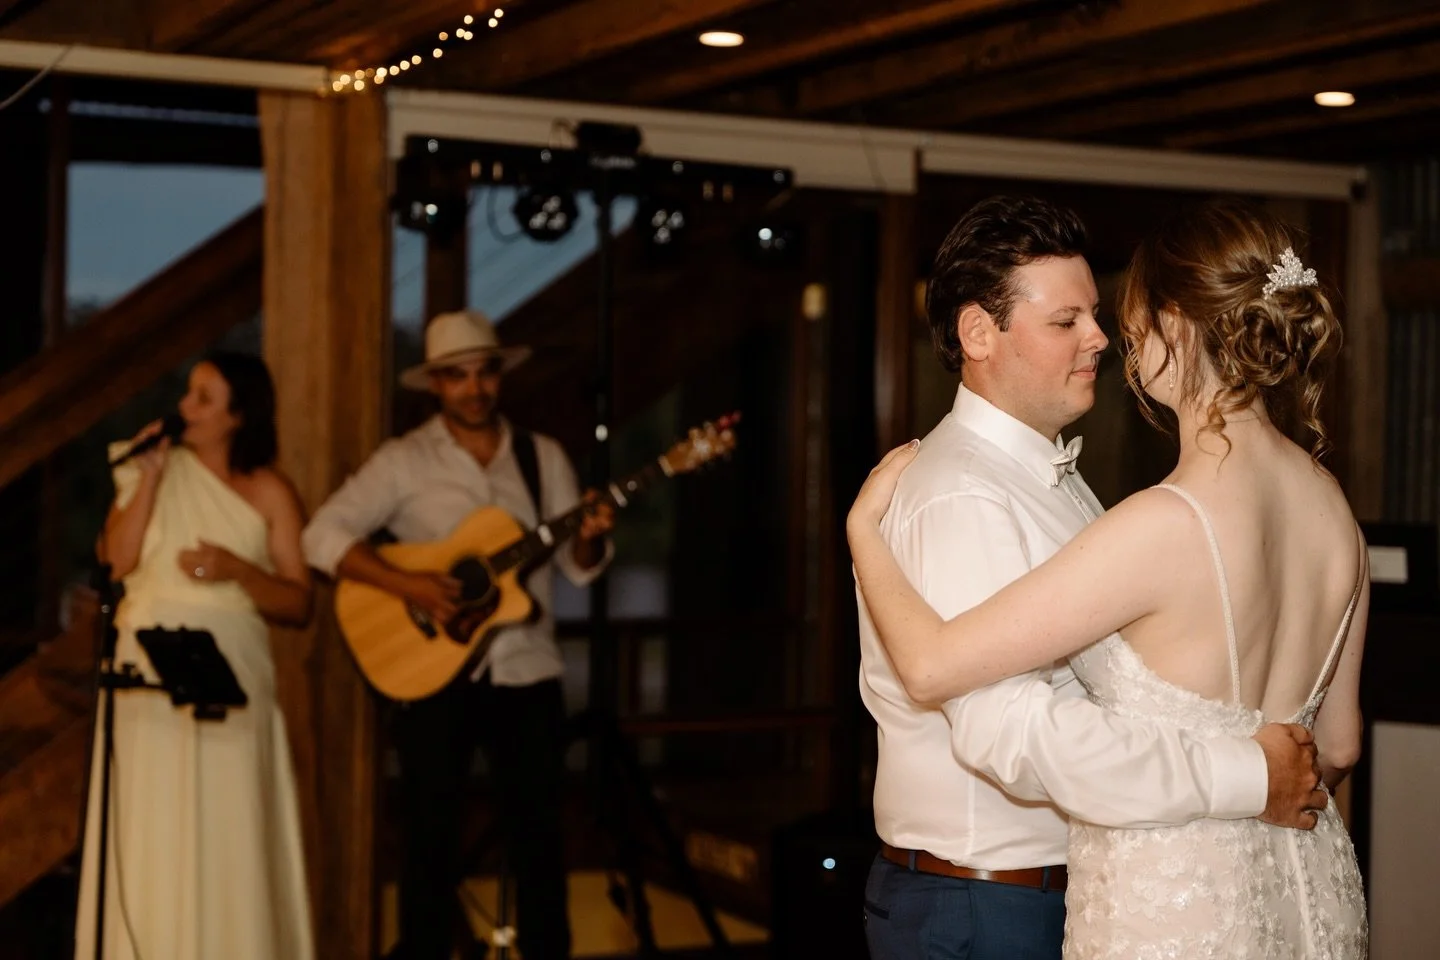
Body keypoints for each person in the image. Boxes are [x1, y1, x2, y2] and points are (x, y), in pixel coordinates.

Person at [850, 198, 1368, 957]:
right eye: (1067, 321)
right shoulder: (1331, 506)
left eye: (1108, 316)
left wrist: (861, 534)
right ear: (977, 333)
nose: (1101, 339)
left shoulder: (1139, 512)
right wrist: (1248, 775)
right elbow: (1341, 742)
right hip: (1003, 898)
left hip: (1176, 894)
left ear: (1182, 329)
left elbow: (943, 664)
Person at [301, 310, 614, 960]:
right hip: (431, 679)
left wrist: (590, 534)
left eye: (484, 372)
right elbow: (320, 536)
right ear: (435, 385)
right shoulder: (403, 460)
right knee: (427, 846)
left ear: (500, 376)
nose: (474, 388)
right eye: (457, 376)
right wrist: (405, 585)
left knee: (539, 845)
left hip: (527, 674)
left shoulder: (541, 456)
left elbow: (577, 571)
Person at [75, 352, 315, 960]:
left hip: (229, 679)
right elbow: (114, 563)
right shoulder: (147, 468)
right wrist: (151, 478)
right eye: (188, 394)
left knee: (225, 827)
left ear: (239, 414)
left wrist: (237, 571)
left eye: (205, 398)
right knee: (153, 828)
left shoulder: (269, 490)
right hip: (146, 674)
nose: (185, 407)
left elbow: (298, 601)